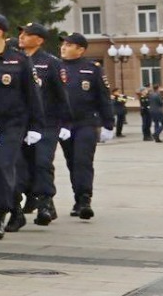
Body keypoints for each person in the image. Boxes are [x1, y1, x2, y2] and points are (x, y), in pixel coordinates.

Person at [0, 12, 44, 240]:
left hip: (11, 124)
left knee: (4, 166)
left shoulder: (20, 61)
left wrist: (35, 126)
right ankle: (15, 210)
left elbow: (33, 95)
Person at [18, 22, 69, 226]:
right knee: (23, 164)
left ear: (39, 40)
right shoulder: (16, 60)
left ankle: (46, 202)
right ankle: (31, 196)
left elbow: (61, 95)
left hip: (47, 123)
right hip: (21, 123)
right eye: (21, 32)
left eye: (27, 34)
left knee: (42, 161)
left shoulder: (51, 63)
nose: (21, 36)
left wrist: (65, 123)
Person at [59, 33, 115, 218]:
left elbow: (104, 97)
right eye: (63, 44)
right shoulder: (56, 67)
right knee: (71, 162)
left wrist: (108, 123)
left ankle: (84, 199)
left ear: (80, 49)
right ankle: (78, 197)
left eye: (69, 45)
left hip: (86, 123)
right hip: (64, 125)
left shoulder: (92, 69)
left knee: (83, 161)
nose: (63, 47)